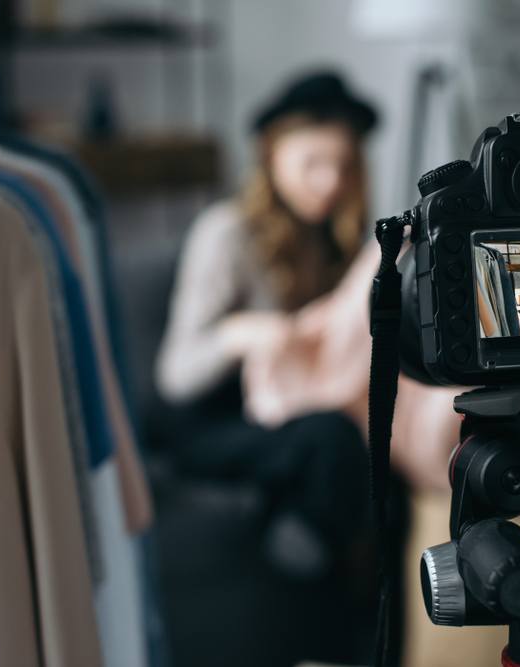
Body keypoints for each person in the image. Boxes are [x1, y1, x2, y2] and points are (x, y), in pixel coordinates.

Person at [156, 70, 377, 578]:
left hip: (295, 409)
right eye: (313, 164)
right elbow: (176, 376)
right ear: (272, 156)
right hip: (212, 418)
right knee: (330, 439)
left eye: (343, 166)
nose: (330, 183)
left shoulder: (343, 243)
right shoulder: (226, 234)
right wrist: (244, 333)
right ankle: (308, 554)